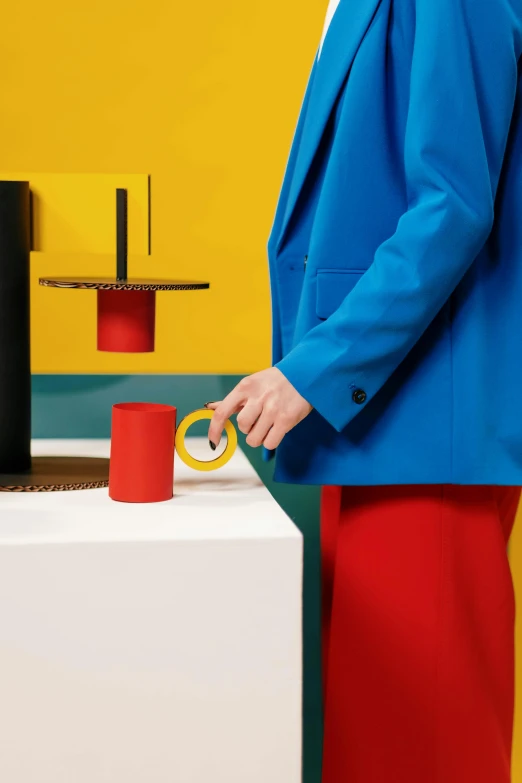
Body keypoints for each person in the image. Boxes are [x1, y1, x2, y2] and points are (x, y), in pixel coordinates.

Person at [208, 0, 522, 780]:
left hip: (422, 425)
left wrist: (314, 369)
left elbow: (452, 204)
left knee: (423, 740)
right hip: (371, 423)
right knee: (375, 732)